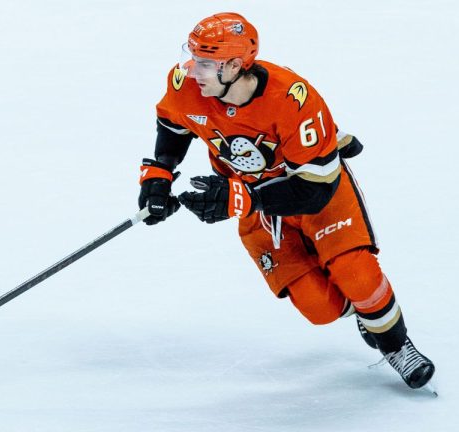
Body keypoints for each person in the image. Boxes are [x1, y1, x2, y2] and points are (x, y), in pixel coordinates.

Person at [137, 12, 435, 390]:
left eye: (206, 63)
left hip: (312, 190)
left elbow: (316, 189)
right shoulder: (187, 83)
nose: (194, 70)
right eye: (194, 57)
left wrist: (241, 199)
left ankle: (395, 345)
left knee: (356, 273)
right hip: (252, 201)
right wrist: (159, 175)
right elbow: (175, 124)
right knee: (318, 308)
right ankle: (364, 310)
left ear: (234, 65)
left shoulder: (294, 98)